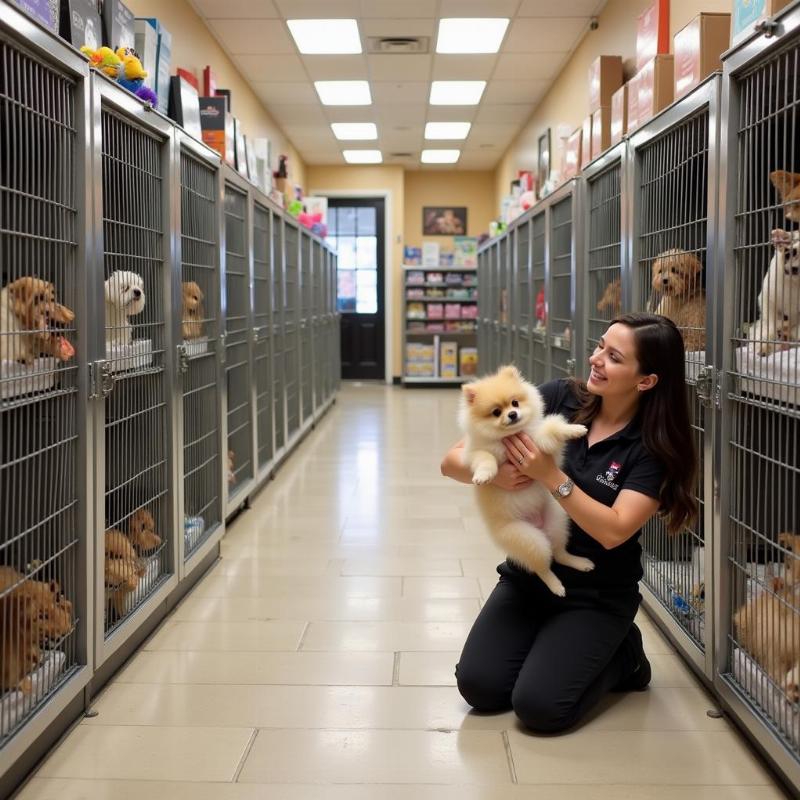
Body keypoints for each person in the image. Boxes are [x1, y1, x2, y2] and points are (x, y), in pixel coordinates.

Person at [440, 313, 697, 733]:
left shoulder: (652, 447)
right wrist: (497, 473)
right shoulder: (560, 398)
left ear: (646, 380)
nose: (595, 359)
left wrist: (550, 475)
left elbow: (615, 530)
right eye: (600, 346)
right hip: (527, 579)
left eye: (613, 357)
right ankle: (550, 642)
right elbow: (451, 462)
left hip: (596, 594)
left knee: (539, 708)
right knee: (480, 688)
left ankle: (625, 653)